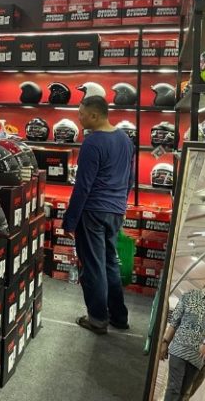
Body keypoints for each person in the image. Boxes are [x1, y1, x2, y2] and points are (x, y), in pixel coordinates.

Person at [62, 96, 134, 334]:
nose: (79, 118)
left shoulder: (92, 142)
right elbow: (130, 179)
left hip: (93, 211)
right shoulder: (125, 139)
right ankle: (119, 316)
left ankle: (97, 319)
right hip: (115, 210)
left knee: (93, 266)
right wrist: (121, 205)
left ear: (94, 115)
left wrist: (70, 220)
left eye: (81, 114)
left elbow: (83, 185)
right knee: (110, 262)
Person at [159, 270, 205, 401]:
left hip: (198, 357)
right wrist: (165, 342)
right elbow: (174, 322)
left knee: (183, 393)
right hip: (178, 350)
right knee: (173, 388)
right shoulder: (189, 296)